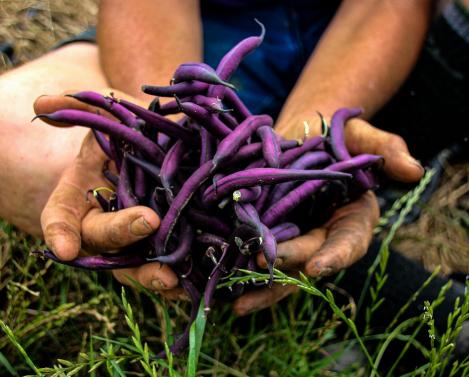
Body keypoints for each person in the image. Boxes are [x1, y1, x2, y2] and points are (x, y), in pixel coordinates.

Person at [0, 0, 466, 317]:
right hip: (196, 36)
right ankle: (281, 263)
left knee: (308, 172)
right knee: (9, 130)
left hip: (363, 53)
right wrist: (176, 130)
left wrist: (308, 132)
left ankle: (315, 245)